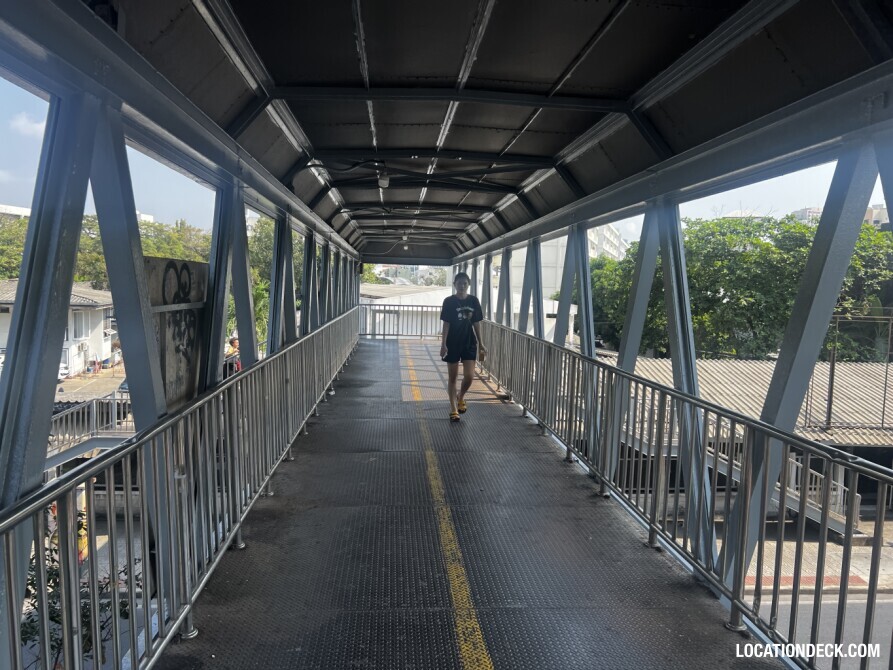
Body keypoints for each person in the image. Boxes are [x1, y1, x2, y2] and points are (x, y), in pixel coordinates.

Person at [439, 272, 487, 422]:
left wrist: (481, 343)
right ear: (455, 285)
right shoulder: (449, 301)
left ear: (468, 285)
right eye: (459, 283)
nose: (462, 286)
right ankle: (454, 409)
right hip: (453, 342)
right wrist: (443, 344)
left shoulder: (473, 301)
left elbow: (476, 323)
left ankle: (461, 396)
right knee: (452, 378)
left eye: (464, 283)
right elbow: (446, 324)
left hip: (469, 342)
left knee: (469, 376)